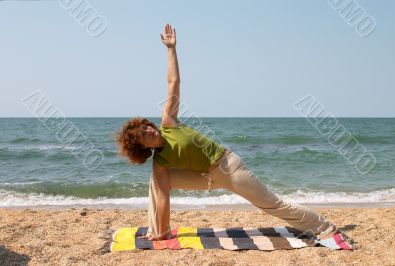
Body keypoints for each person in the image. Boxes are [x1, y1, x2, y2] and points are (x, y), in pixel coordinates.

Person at [116, 24, 337, 241]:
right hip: (207, 178)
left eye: (146, 126)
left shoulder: (169, 122)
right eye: (143, 135)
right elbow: (163, 198)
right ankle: (160, 230)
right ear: (142, 148)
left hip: (228, 167)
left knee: (271, 204)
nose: (149, 130)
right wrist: (163, 229)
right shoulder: (160, 163)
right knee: (157, 181)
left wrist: (171, 49)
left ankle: (324, 226)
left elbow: (173, 82)